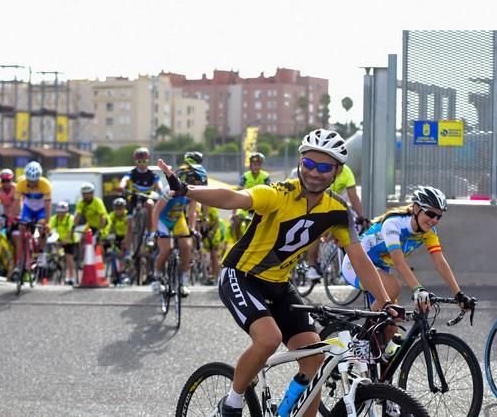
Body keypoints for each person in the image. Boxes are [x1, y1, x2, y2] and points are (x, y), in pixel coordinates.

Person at [157, 129, 399, 417]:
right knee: (269, 338)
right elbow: (234, 198)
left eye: (324, 167)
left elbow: (359, 259)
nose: (315, 173)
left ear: (337, 172)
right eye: (309, 164)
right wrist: (187, 190)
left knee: (315, 359)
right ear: (300, 162)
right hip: (241, 276)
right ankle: (231, 403)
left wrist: (385, 302)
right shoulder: (277, 193)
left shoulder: (337, 211)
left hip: (280, 285)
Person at [340, 186, 475, 340]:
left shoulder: (429, 233)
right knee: (394, 286)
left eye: (439, 216)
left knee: (392, 325)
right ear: (416, 208)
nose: (434, 220)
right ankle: (360, 340)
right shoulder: (394, 224)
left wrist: (459, 294)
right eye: (431, 214)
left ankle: (378, 358)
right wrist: (418, 289)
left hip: (379, 269)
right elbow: (398, 262)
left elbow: (440, 262)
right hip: (356, 264)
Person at [305, 163, 369, 280]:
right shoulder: (325, 170)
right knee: (317, 233)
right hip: (319, 202)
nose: (340, 168)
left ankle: (344, 269)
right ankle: (311, 266)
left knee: (345, 233)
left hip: (334, 206)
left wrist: (361, 216)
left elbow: (353, 196)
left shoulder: (347, 172)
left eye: (341, 165)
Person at [151, 165, 205, 297]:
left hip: (177, 220)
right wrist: (155, 230)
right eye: (193, 183)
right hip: (163, 221)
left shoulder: (193, 192)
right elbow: (157, 211)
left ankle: (184, 279)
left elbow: (192, 213)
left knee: (186, 246)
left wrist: (191, 229)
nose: (195, 186)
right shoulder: (169, 190)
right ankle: (157, 275)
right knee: (166, 250)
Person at [12, 161, 52, 279]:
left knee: (42, 228)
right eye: (30, 181)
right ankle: (20, 261)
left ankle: (41, 253)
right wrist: (16, 216)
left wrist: (47, 222)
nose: (33, 184)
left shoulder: (45, 184)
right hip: (28, 209)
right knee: (21, 229)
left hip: (41, 210)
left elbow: (48, 205)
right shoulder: (21, 184)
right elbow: (17, 202)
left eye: (35, 182)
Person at [119, 147, 161, 242]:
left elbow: (159, 186)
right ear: (135, 162)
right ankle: (128, 251)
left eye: (144, 161)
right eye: (139, 162)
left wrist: (161, 192)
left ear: (148, 161)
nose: (141, 164)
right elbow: (124, 180)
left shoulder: (153, 175)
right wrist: (121, 186)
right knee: (129, 225)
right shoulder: (131, 173)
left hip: (147, 197)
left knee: (150, 204)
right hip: (133, 197)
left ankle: (149, 234)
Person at [230, 152, 270, 240]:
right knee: (237, 221)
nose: (256, 166)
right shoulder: (245, 176)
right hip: (246, 204)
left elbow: (269, 192)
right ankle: (239, 242)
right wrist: (233, 212)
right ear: (250, 165)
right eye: (254, 164)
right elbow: (238, 192)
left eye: (258, 164)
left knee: (252, 224)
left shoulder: (265, 176)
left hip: (259, 205)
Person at [101, 197, 132, 284]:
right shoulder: (112, 215)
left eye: (120, 208)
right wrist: (104, 235)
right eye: (116, 208)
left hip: (128, 236)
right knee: (114, 255)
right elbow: (108, 225)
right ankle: (115, 275)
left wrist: (126, 240)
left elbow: (129, 228)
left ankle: (126, 274)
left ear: (124, 208)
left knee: (127, 256)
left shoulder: (127, 215)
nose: (118, 210)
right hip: (118, 237)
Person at [48, 201, 77, 285]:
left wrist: (67, 240)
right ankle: (58, 266)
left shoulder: (70, 218)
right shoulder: (54, 218)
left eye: (62, 212)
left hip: (69, 240)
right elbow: (49, 227)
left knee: (69, 259)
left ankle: (72, 277)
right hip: (59, 240)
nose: (60, 214)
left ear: (66, 212)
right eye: (59, 212)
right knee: (55, 253)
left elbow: (71, 230)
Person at [71, 182, 108, 246]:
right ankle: (82, 255)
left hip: (103, 224)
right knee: (82, 239)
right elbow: (78, 216)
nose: (86, 196)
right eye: (84, 194)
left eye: (88, 193)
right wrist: (73, 227)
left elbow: (103, 217)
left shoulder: (97, 202)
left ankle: (101, 255)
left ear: (92, 193)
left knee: (98, 242)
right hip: (91, 225)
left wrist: (99, 230)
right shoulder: (81, 203)